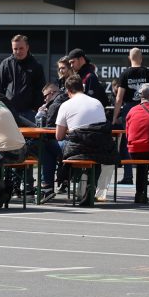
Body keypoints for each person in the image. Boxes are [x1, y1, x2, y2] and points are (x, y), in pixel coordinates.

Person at [54, 74, 117, 207]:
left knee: (52, 146)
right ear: (82, 88)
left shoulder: (65, 105)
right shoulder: (97, 103)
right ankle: (89, 186)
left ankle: (51, 184)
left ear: (68, 91)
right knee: (92, 154)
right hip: (100, 148)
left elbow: (59, 136)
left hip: (77, 148)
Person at [111, 47, 149, 186]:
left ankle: (128, 176)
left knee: (128, 142)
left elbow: (119, 98)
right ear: (141, 58)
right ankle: (143, 176)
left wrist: (114, 117)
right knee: (146, 141)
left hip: (130, 110)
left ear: (129, 58)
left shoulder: (125, 74)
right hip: (146, 108)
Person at [0, 34, 46, 125]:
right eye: (15, 49)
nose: (18, 51)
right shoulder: (5, 64)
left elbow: (40, 90)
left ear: (27, 47)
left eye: (21, 48)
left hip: (29, 113)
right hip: (8, 112)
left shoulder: (36, 66)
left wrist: (35, 109)